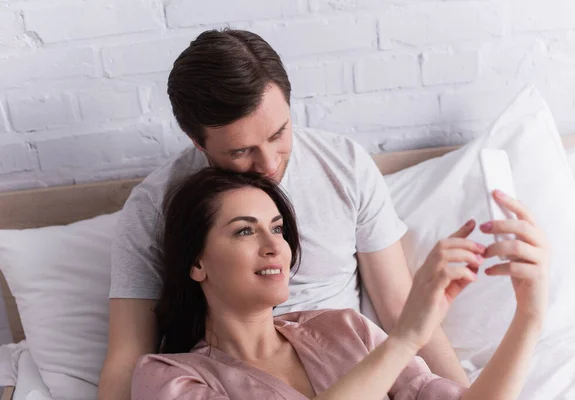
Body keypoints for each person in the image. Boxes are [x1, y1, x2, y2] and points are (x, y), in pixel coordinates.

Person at [99, 29, 469, 400]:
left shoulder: (344, 166)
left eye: (279, 133)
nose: (268, 164)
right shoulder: (155, 209)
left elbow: (399, 307)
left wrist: (467, 384)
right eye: (242, 151)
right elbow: (128, 356)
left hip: (354, 363)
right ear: (198, 142)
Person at [132, 168, 550, 400]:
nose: (273, 246)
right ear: (196, 263)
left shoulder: (345, 328)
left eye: (278, 230)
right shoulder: (168, 379)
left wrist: (529, 316)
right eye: (245, 231)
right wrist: (404, 337)